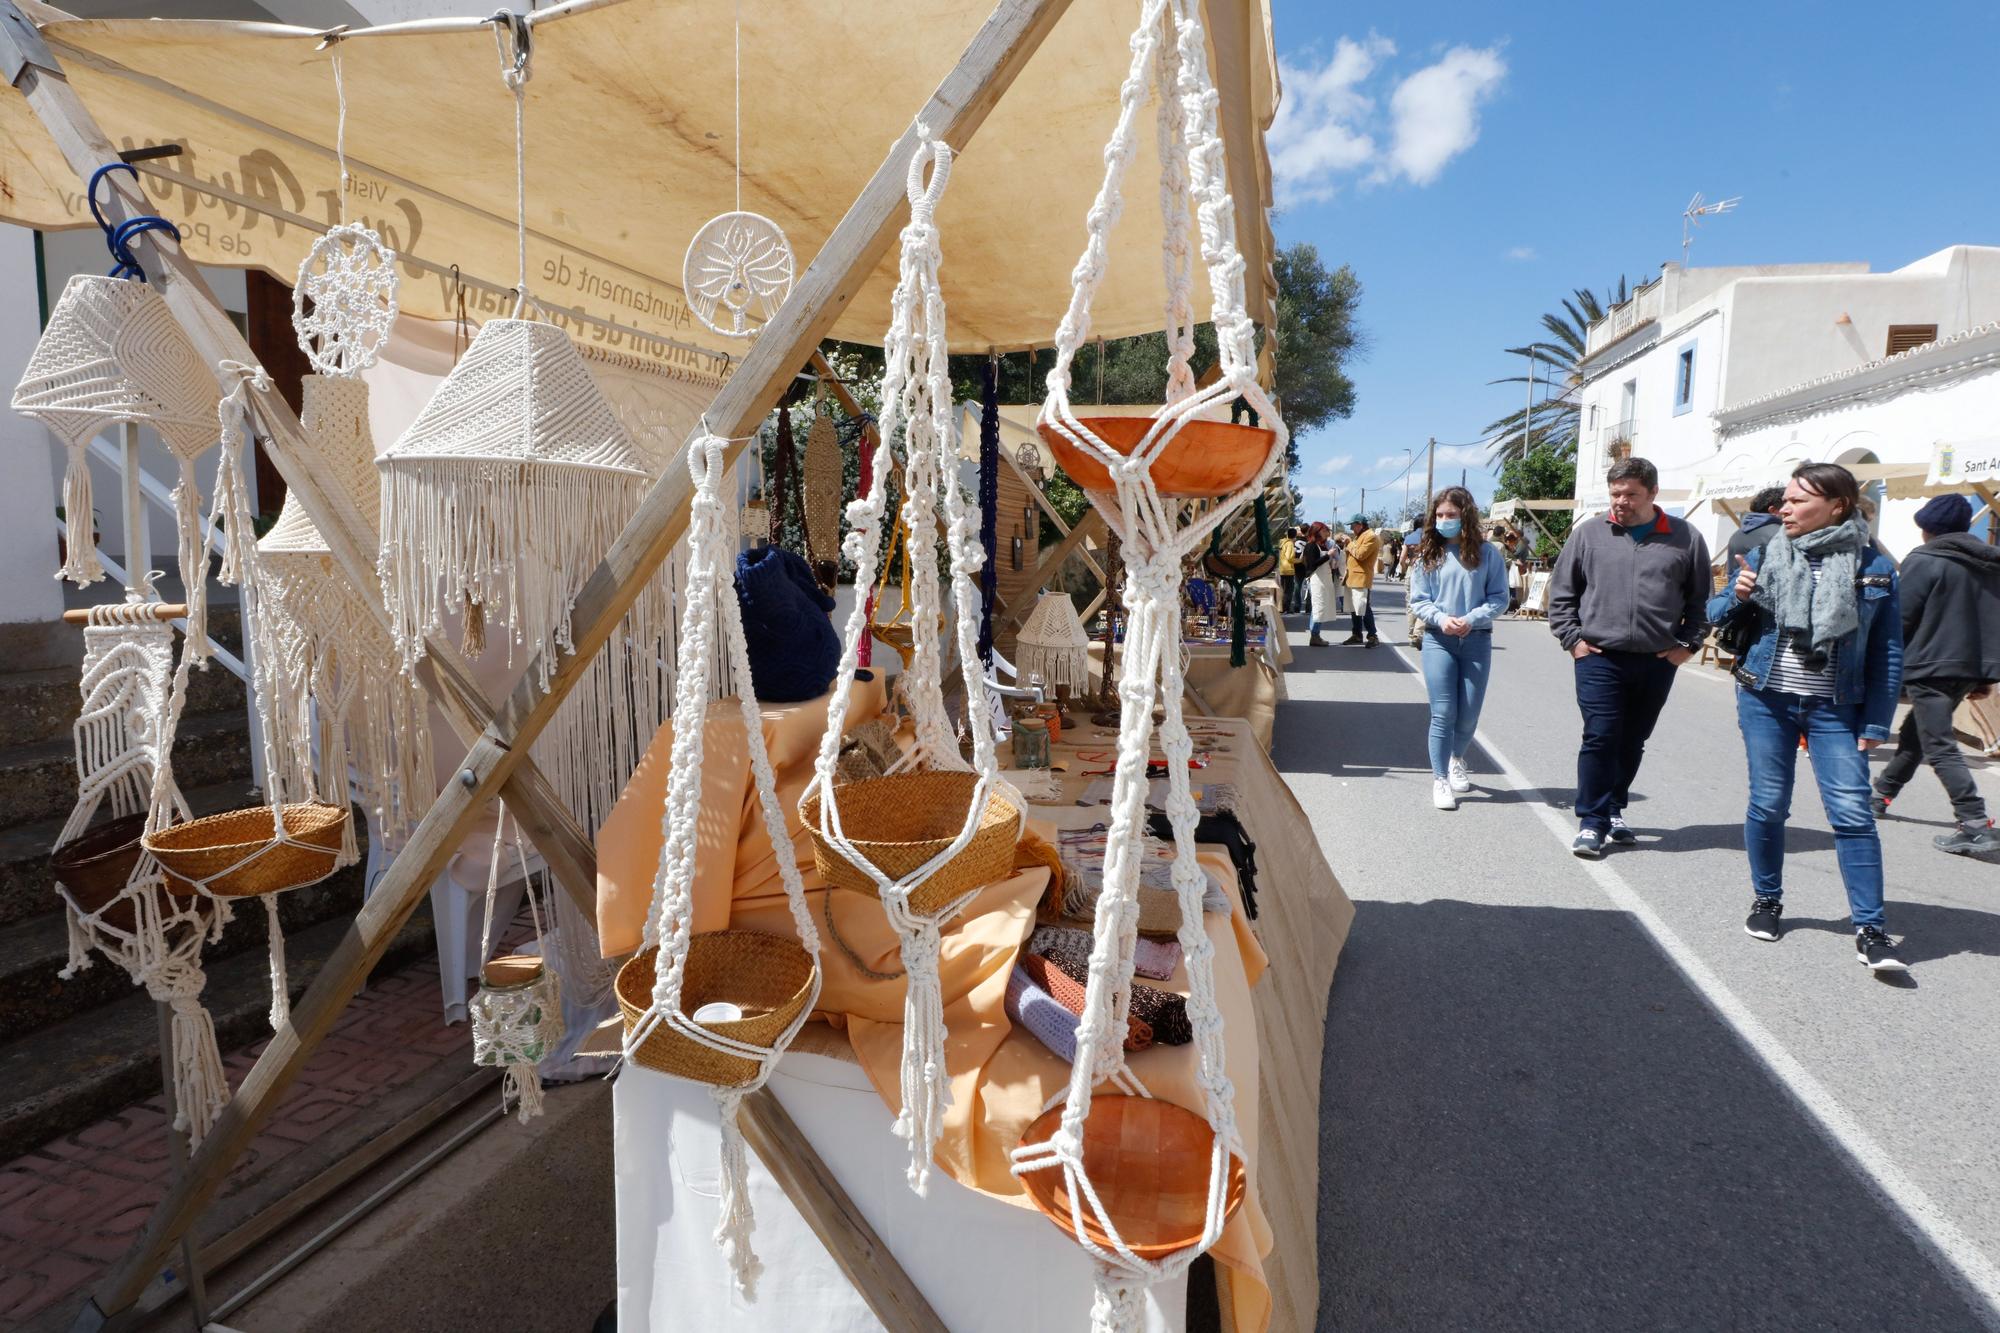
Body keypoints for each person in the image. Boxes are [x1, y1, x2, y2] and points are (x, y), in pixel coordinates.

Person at [1707, 463, 1907, 971]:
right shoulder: (1764, 551)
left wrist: (1877, 723)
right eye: (1785, 500)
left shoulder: (1874, 565)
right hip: (1766, 698)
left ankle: (1871, 928)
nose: (1784, 509)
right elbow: (1714, 614)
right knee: (1769, 804)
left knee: (1853, 814)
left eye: (1798, 501)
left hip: (1836, 707)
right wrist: (1739, 595)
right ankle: (1767, 901)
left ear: (1836, 506)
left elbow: (1887, 651)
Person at [1548, 456, 1711, 857]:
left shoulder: (1685, 537)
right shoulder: (1588, 534)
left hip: (1657, 661)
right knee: (1601, 736)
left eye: (1630, 494)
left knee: (1633, 739)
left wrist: (1686, 647)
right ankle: (1591, 820)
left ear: (1653, 493)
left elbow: (1701, 600)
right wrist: (1574, 641)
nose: (1621, 501)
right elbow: (1562, 593)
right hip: (1599, 657)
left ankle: (1615, 808)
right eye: (1615, 493)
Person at [1873, 492, 2000, 855]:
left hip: (1930, 664)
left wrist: (1882, 664)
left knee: (1939, 744)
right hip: (1968, 667)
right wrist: (1985, 676)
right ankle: (1881, 795)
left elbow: (1900, 618)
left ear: (1928, 529)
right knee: (1917, 733)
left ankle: (1974, 823)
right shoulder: (1989, 563)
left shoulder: (1925, 558)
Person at [1408, 488, 1509, 811]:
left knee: (1468, 714)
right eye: (1439, 515)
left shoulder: (1488, 554)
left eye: (1450, 515)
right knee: (1443, 713)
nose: (1444, 521)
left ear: (1465, 515)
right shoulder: (1428, 555)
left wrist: (1471, 618)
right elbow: (1419, 600)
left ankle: (1456, 759)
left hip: (1477, 640)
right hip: (1439, 640)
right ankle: (1440, 779)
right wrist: (1441, 618)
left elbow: (1499, 598)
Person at [1724, 484, 1787, 570]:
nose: (1790, 510)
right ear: (1773, 510)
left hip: (1738, 583)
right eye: (1787, 506)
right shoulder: (1781, 533)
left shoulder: (1736, 535)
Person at [1341, 515, 1381, 647]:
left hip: (1361, 577)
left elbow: (1360, 555)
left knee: (1363, 607)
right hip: (1352, 577)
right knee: (1354, 608)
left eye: (1353, 526)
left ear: (1360, 524)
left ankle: (1372, 635)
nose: (1351, 529)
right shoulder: (1359, 537)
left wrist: (1349, 543)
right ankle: (1357, 634)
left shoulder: (1371, 536)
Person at [1304, 521, 1341, 646]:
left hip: (1324, 580)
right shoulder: (1311, 546)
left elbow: (1324, 562)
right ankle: (1314, 635)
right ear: (1317, 531)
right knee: (1318, 608)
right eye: (1324, 530)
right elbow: (1311, 564)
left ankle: (1316, 634)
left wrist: (1332, 562)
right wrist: (1328, 556)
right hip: (1316, 581)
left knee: (1321, 607)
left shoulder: (1323, 545)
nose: (1327, 533)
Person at [1276, 524, 1300, 616]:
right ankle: (1286, 607)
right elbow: (1289, 557)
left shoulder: (1282, 542)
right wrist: (1300, 560)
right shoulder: (1290, 544)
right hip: (1288, 570)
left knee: (1283, 589)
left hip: (1282, 568)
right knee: (1289, 590)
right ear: (1295, 536)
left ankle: (1281, 607)